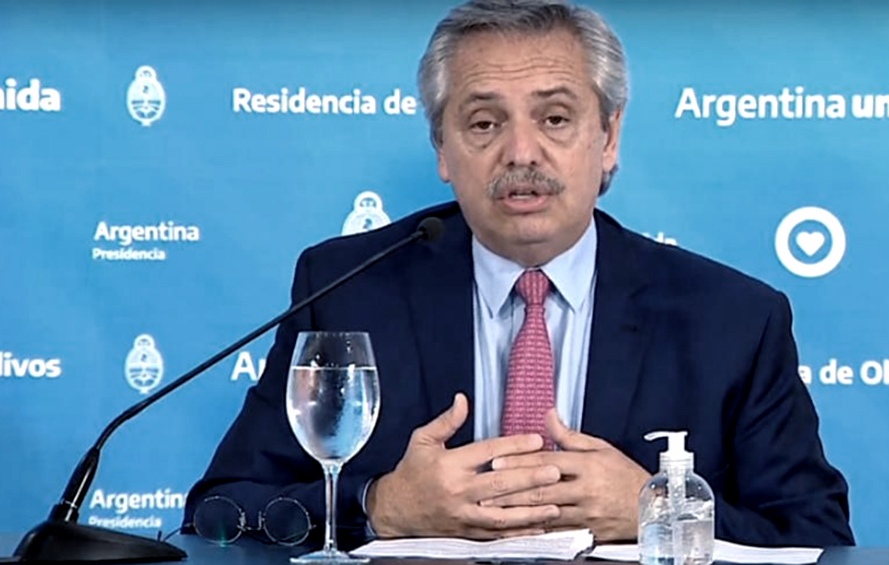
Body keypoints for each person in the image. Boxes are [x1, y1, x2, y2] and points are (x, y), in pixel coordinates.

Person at [184, 0, 854, 550]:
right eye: (484, 122)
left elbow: (818, 537)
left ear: (609, 137)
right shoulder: (348, 289)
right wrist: (380, 505)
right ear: (442, 148)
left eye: (555, 118)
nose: (521, 152)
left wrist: (658, 509)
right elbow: (218, 514)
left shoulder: (732, 319)